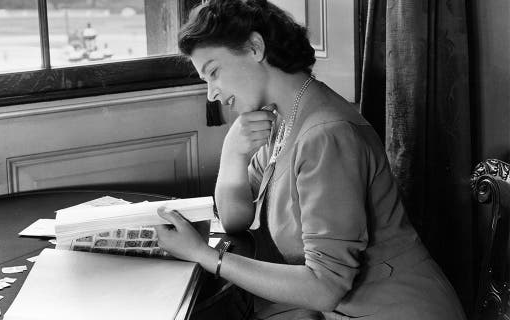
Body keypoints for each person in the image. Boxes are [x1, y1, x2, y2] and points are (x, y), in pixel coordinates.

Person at [152, 0, 467, 319]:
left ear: (254, 47)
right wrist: (233, 153)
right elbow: (237, 219)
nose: (212, 94)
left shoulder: (325, 136)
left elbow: (324, 287)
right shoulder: (283, 119)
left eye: (214, 72)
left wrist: (205, 256)